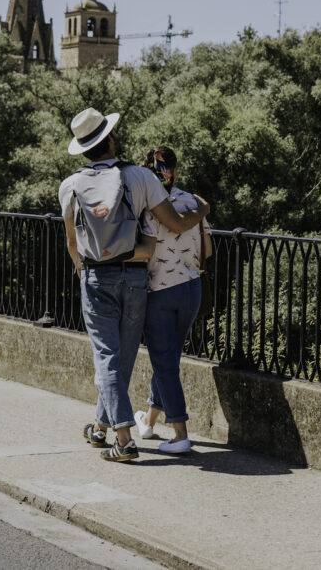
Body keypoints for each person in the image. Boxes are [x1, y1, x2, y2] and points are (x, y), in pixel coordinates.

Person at [59, 108, 209, 462]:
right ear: (110, 139)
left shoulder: (71, 185)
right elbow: (172, 221)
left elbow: (70, 240)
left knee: (108, 356)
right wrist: (202, 211)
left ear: (83, 148)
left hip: (97, 274)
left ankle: (122, 437)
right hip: (138, 278)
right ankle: (100, 426)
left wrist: (85, 272)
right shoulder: (140, 177)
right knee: (121, 356)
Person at [133, 146, 213, 454]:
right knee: (169, 359)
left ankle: (180, 434)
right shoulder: (193, 202)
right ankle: (150, 420)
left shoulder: (146, 205)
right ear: (174, 171)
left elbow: (147, 251)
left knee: (164, 363)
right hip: (191, 289)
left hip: (161, 291)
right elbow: (207, 252)